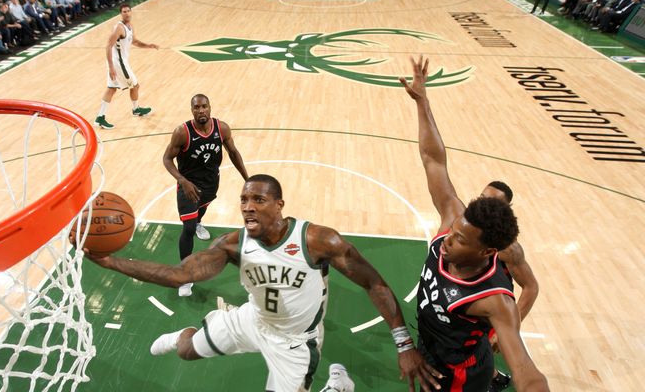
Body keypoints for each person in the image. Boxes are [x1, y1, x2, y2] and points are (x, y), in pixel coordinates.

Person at [85, 174, 442, 392]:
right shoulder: (232, 244)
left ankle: (337, 384)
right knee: (185, 351)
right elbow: (181, 275)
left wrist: (402, 344)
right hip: (252, 321)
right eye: (243, 199)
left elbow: (375, 284)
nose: (248, 206)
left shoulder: (318, 241)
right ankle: (186, 334)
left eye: (259, 199)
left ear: (279, 205)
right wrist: (110, 261)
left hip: (295, 343)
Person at [399, 56, 549, 392]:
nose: (448, 239)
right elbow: (433, 158)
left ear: (488, 251)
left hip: (460, 375)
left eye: (461, 239)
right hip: (430, 348)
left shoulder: (495, 300)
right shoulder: (453, 219)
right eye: (454, 231)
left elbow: (528, 373)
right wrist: (423, 102)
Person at [162, 94, 249, 296]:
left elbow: (234, 153)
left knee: (199, 214)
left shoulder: (222, 128)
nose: (201, 110)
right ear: (191, 110)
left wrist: (247, 178)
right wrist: (183, 181)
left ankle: (199, 220)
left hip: (210, 182)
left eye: (204, 106)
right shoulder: (182, 132)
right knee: (189, 228)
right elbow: (167, 159)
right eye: (196, 108)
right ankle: (184, 275)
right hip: (188, 186)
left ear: (210, 107)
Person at [480, 181, 540, 391]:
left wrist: (510, 329)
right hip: (472, 300)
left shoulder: (508, 249)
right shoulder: (467, 228)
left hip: (493, 309)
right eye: (482, 197)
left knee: (476, 352)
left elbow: (531, 288)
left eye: (493, 203)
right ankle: (495, 377)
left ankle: (491, 380)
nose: (485, 204)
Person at [94, 3, 158, 130]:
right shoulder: (119, 28)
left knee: (111, 89)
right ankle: (136, 109)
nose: (127, 13)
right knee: (135, 86)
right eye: (124, 11)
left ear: (131, 12)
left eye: (128, 11)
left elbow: (134, 41)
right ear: (120, 13)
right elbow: (108, 46)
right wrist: (112, 67)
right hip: (118, 63)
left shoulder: (130, 26)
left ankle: (100, 117)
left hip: (120, 62)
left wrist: (148, 45)